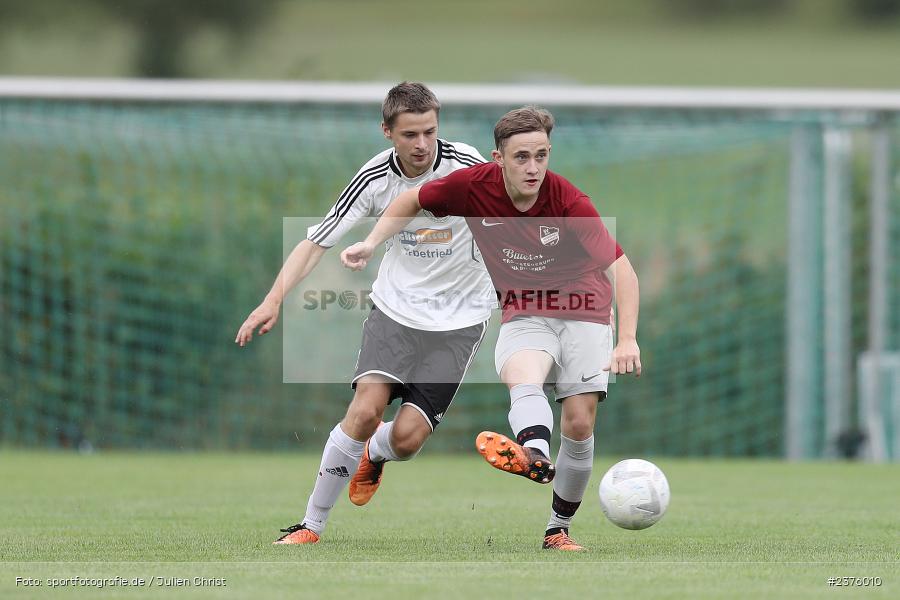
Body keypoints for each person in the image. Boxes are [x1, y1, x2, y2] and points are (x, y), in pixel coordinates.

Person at [341, 106, 641, 552]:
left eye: (542, 155)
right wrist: (370, 241)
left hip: (585, 308)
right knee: (524, 377)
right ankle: (535, 453)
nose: (534, 167)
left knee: (578, 423)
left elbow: (622, 270)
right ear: (497, 157)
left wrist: (629, 338)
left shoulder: (570, 202)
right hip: (525, 310)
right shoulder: (472, 186)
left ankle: (557, 529)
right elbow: (410, 200)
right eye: (521, 156)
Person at [235, 82, 495, 545]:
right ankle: (310, 526)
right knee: (364, 411)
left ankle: (374, 454)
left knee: (407, 440)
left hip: (459, 322)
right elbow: (316, 240)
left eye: (430, 132)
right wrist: (272, 299)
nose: (422, 144)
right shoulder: (375, 178)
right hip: (394, 312)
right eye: (410, 134)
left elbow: (515, 211)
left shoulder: (467, 164)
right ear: (387, 132)